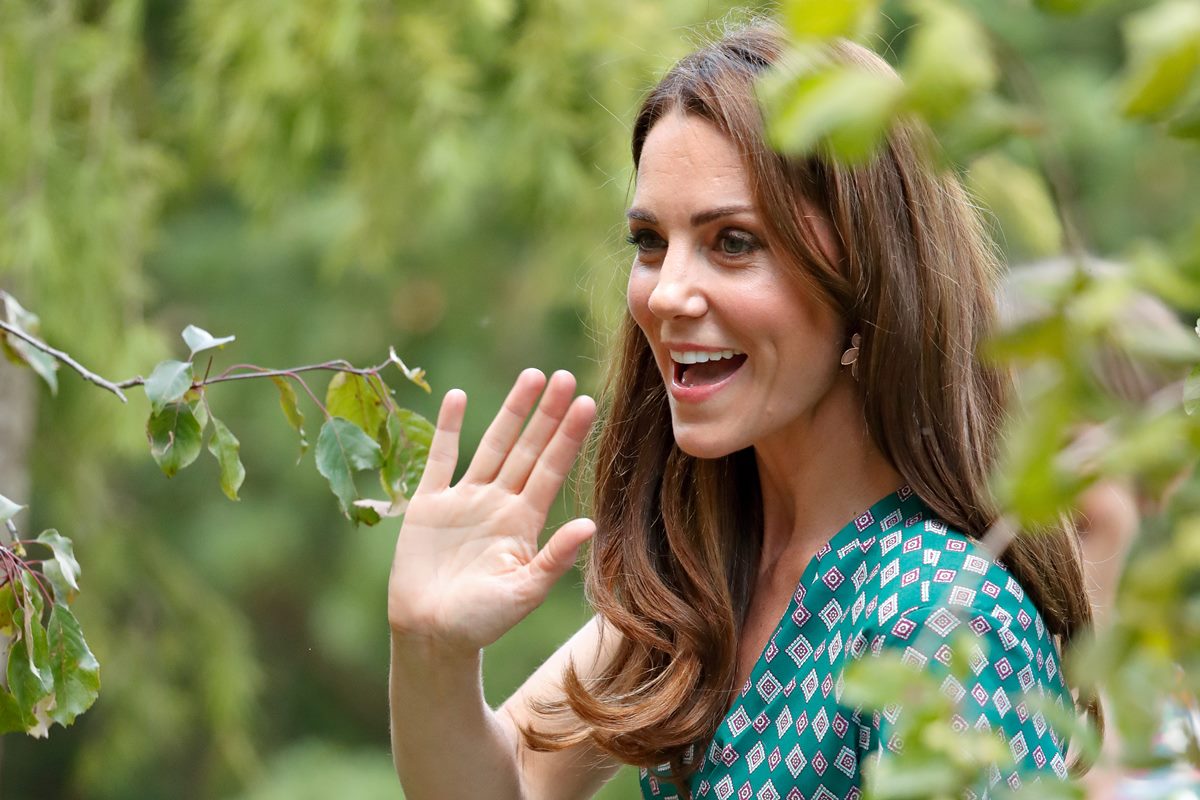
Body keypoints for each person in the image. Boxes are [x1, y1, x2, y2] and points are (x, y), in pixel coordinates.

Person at [387, 21, 1097, 800]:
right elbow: (514, 785)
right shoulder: (707, 575)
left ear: (868, 277)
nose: (665, 293)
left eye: (732, 242)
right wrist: (433, 650)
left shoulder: (939, 611)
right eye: (650, 241)